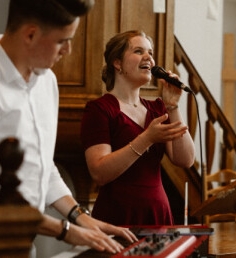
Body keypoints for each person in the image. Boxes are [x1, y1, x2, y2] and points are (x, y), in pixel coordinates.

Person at [0, 0, 137, 256]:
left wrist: (81, 217)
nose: (68, 50)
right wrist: (65, 230)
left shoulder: (47, 82)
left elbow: (41, 165)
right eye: (63, 40)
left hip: (21, 243)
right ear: (30, 34)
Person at [81, 30, 196, 226]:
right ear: (117, 63)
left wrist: (173, 106)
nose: (149, 58)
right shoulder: (99, 109)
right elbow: (99, 173)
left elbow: (185, 159)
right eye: (138, 51)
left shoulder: (157, 108)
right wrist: (147, 138)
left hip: (158, 212)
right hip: (118, 214)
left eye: (150, 53)